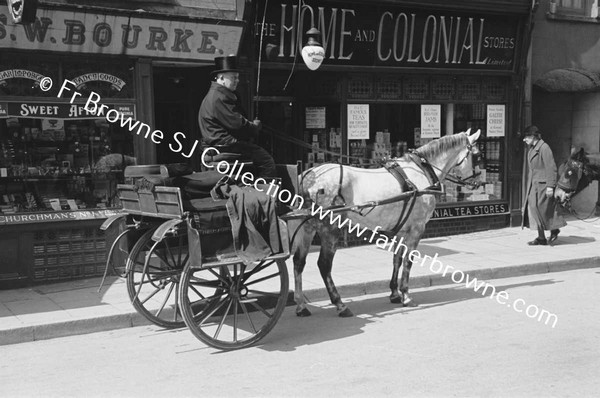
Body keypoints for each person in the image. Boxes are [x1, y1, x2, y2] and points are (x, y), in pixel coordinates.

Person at [198, 55, 277, 179]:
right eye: (234, 77)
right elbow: (237, 124)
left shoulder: (216, 95)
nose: (237, 80)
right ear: (222, 78)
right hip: (227, 145)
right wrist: (254, 127)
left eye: (238, 77)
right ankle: (263, 195)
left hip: (219, 145)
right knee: (267, 161)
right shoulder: (219, 97)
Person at [521, 125, 566, 245]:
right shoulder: (532, 149)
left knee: (544, 210)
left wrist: (551, 186)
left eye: (526, 137)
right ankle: (541, 237)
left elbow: (551, 168)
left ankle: (554, 229)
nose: (524, 139)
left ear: (533, 136)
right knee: (534, 210)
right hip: (533, 185)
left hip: (543, 186)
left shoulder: (544, 148)